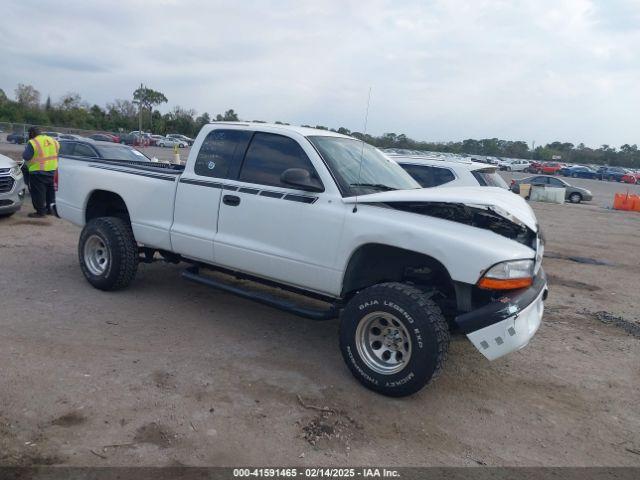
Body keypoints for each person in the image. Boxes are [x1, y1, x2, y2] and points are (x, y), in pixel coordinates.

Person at [22, 127, 59, 218]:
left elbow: (26, 156)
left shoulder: (33, 142)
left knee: (38, 193)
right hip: (53, 170)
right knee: (51, 192)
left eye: (29, 134)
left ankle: (40, 212)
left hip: (38, 172)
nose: (28, 136)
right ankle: (50, 210)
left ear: (32, 133)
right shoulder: (53, 140)